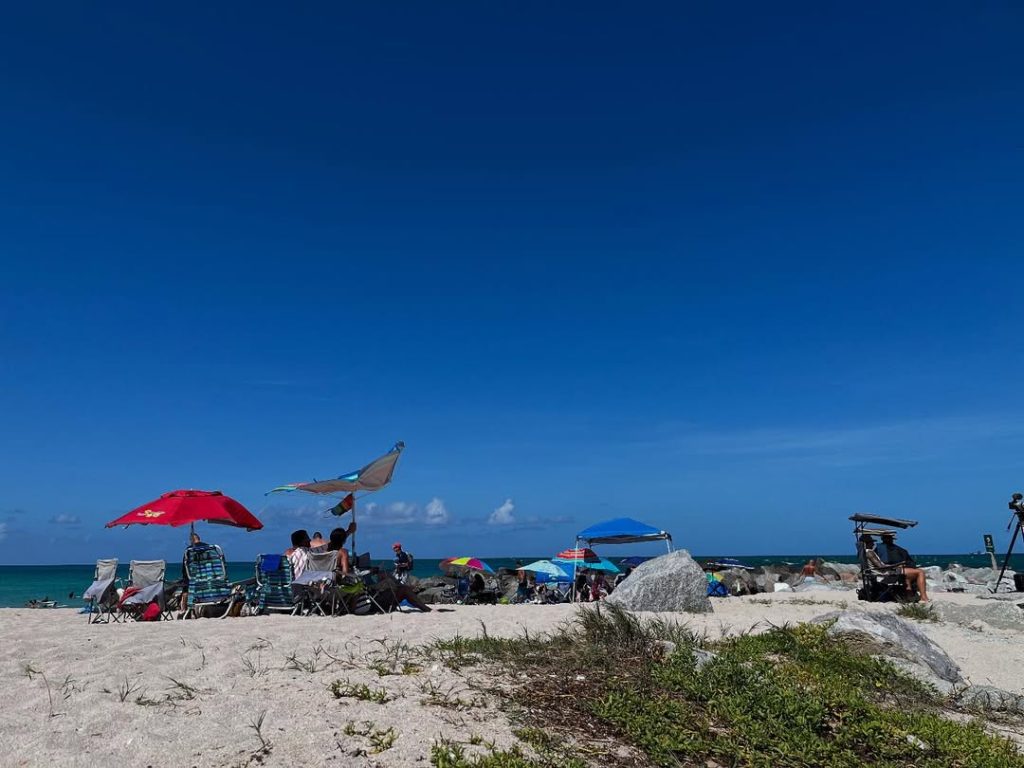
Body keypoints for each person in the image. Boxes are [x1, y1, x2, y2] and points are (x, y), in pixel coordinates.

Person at [861, 535, 929, 602]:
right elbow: (881, 567)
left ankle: (909, 595)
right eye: (871, 542)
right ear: (867, 543)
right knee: (920, 572)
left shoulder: (866, 552)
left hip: (881, 572)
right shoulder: (870, 552)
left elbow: (881, 565)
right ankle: (923, 597)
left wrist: (893, 566)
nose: (873, 544)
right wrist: (898, 564)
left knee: (907, 576)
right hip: (883, 574)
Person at [179, 531, 205, 612]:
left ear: (191, 540)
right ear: (199, 539)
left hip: (192, 580)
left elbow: (184, 567)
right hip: (206, 577)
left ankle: (184, 609)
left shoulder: (189, 550)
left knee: (185, 586)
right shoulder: (209, 548)